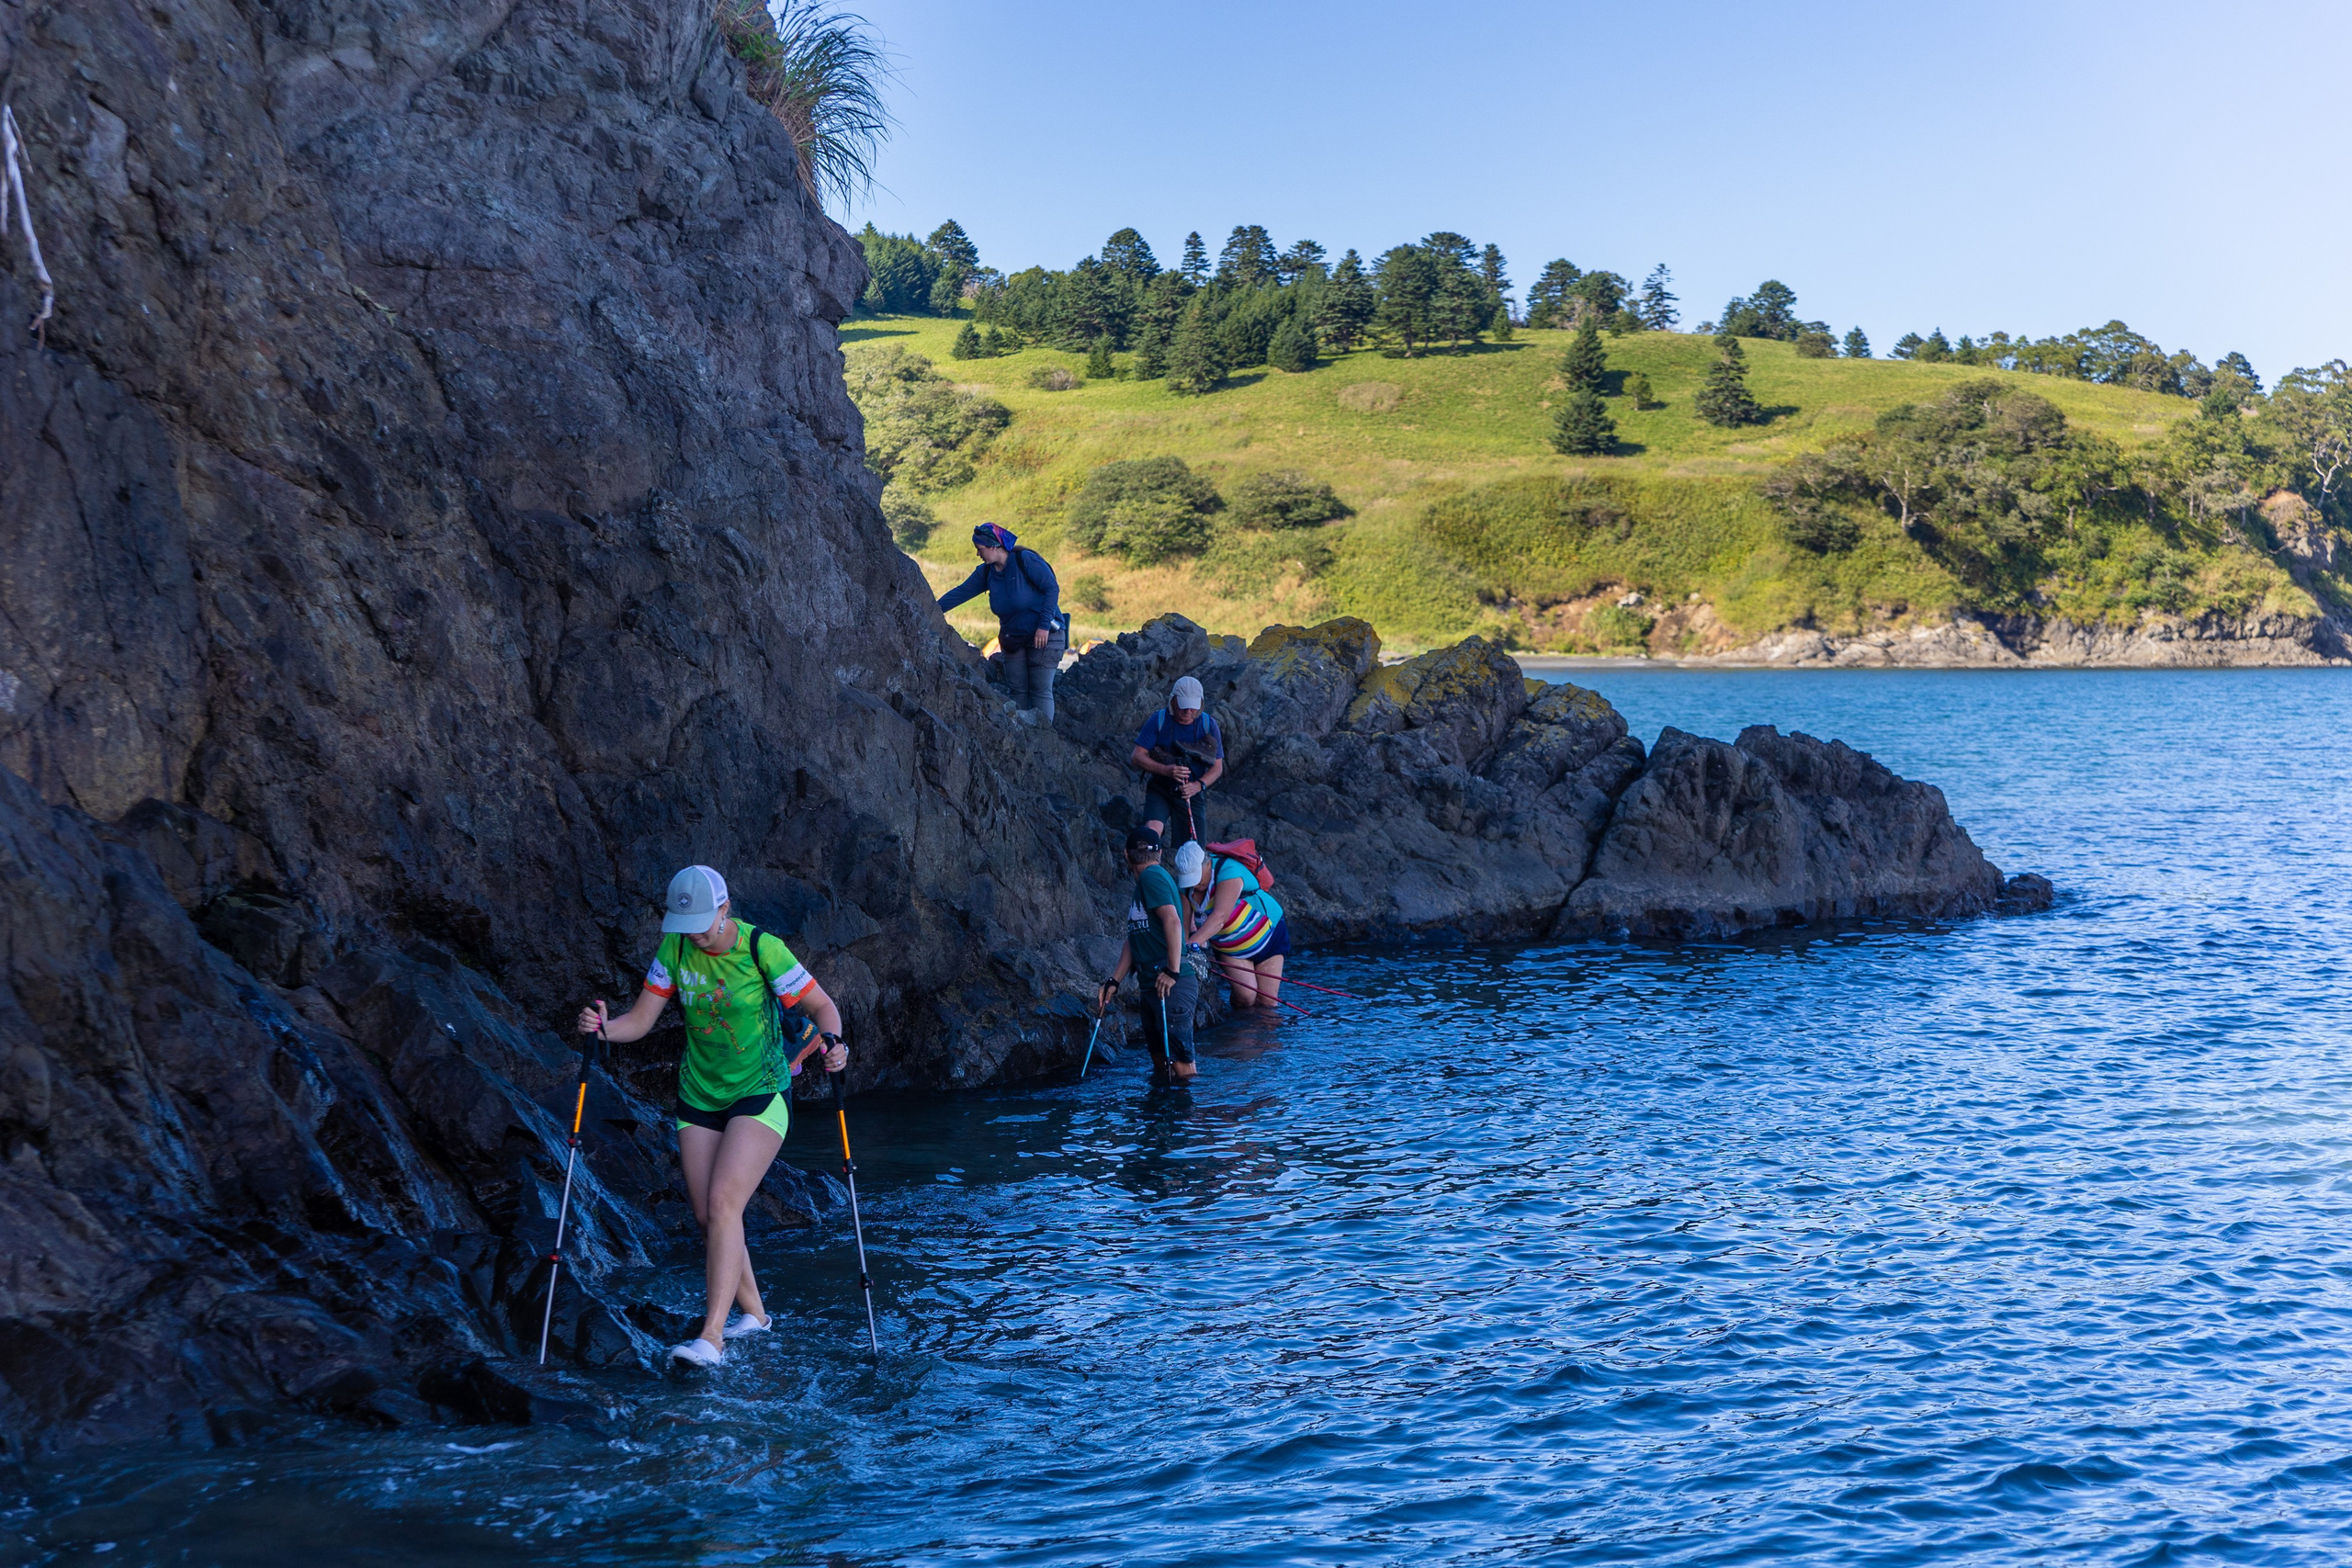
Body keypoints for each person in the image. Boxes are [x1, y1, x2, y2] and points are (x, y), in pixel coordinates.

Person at [577, 864, 848, 1367]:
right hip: (699, 1096)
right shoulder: (675, 949)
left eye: (705, 921)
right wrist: (601, 1030)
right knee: (709, 1216)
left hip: (761, 1092)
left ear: (725, 908)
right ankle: (757, 1318)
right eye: (686, 925)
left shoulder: (761, 948)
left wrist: (834, 1044)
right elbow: (638, 1022)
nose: (696, 934)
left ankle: (713, 1338)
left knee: (725, 1202)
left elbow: (822, 1007)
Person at [936, 523, 1067, 726]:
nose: (978, 555)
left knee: (1040, 690)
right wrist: (930, 608)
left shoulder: (1025, 560)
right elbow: (960, 593)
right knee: (1018, 691)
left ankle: (1042, 738)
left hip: (1046, 636)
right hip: (1012, 638)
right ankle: (1022, 737)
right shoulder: (986, 572)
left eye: (980, 550)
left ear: (994, 546)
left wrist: (1042, 626)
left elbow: (1051, 588)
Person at [1095, 827, 1198, 1085]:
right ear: (1160, 853)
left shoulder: (1152, 877)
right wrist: (1114, 981)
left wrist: (1172, 972)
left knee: (1182, 1068)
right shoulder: (1145, 883)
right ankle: (1164, 1123)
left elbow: (1173, 922)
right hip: (1151, 986)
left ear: (1126, 856)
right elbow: (1136, 937)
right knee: (1163, 1065)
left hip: (1171, 983)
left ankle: (1189, 1122)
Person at [1130, 675, 1224, 851]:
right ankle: (1150, 871)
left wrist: (1198, 785)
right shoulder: (1159, 720)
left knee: (1193, 850)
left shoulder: (1208, 724)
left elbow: (1217, 767)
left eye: (1193, 707)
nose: (1188, 711)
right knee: (1151, 833)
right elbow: (1137, 756)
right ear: (1173, 701)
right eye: (1184, 706)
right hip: (1161, 788)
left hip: (1191, 793)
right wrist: (1166, 770)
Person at [1195, 842, 1290, 1010]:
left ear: (1208, 864)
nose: (1194, 883)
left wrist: (1192, 944)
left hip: (1270, 934)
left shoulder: (1229, 871)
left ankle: (1266, 1037)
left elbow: (1220, 916)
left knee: (1268, 1002)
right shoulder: (1184, 886)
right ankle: (1239, 1035)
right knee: (1246, 998)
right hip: (1231, 948)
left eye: (1196, 876)